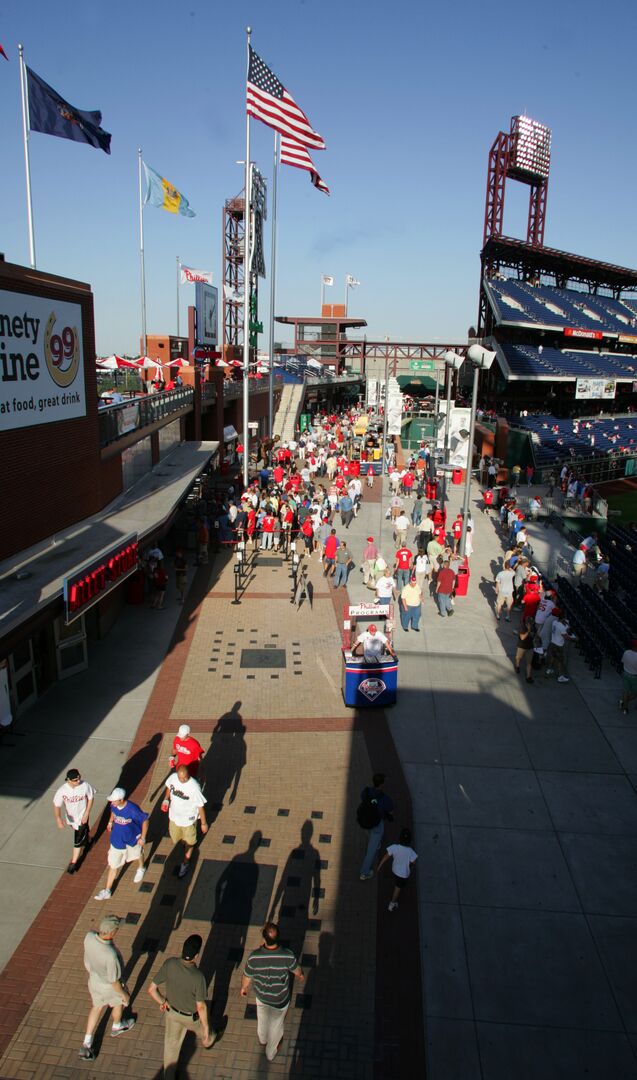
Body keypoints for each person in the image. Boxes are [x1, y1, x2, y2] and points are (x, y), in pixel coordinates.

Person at [148, 934, 218, 1078]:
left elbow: (151, 989)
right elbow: (201, 1007)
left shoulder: (170, 964)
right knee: (206, 1032)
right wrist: (205, 1027)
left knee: (171, 1047)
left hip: (172, 1013)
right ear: (196, 955)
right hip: (191, 1018)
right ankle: (209, 1040)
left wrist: (163, 1002)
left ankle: (169, 1076)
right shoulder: (198, 977)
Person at [241, 922, 304, 1062]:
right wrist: (300, 975)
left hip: (262, 997)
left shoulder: (254, 957)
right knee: (276, 1026)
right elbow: (297, 970)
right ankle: (271, 1051)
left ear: (264, 939)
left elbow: (247, 976)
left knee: (262, 1019)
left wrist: (244, 988)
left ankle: (262, 1039)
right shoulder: (287, 955)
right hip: (280, 1000)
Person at [79, 915, 135, 1059]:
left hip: (94, 980)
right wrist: (124, 995)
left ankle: (86, 1043)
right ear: (112, 932)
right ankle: (117, 1025)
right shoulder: (110, 955)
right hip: (108, 987)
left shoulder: (89, 936)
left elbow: (87, 960)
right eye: (117, 928)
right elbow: (114, 982)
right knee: (118, 1003)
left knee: (96, 1007)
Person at [94, 788, 149, 900]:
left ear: (121, 799)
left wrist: (142, 837)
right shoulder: (114, 805)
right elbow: (113, 813)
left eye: (114, 800)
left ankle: (141, 868)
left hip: (132, 839)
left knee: (138, 854)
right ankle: (107, 890)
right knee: (113, 865)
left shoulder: (133, 809)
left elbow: (145, 821)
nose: (112, 803)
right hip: (117, 840)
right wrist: (110, 822)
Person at [162, 764, 208, 879]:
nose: (182, 780)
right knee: (176, 838)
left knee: (190, 842)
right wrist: (166, 800)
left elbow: (200, 806)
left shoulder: (194, 787)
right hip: (174, 817)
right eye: (180, 778)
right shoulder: (173, 778)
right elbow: (169, 787)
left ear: (189, 775)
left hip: (188, 820)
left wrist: (203, 823)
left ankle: (185, 863)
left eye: (185, 778)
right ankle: (185, 845)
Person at [53, 767, 96, 874]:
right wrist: (58, 818)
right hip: (71, 818)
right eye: (75, 780)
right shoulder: (62, 790)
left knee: (77, 840)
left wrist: (87, 813)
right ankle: (89, 840)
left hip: (82, 817)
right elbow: (57, 805)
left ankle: (73, 862)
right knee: (82, 832)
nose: (78, 781)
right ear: (69, 780)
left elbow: (91, 798)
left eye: (79, 778)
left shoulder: (85, 785)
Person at [358, 772, 394, 880]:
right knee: (371, 851)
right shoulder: (385, 799)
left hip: (364, 820)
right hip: (376, 824)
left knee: (370, 834)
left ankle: (376, 842)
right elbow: (391, 812)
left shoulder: (366, 791)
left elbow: (363, 798)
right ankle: (364, 873)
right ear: (382, 784)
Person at [377, 827, 418, 912]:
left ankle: (393, 900)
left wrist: (379, 865)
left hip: (394, 870)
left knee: (397, 883)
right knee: (398, 888)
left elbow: (386, 856)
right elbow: (413, 862)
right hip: (403, 875)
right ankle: (392, 903)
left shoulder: (394, 847)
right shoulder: (411, 851)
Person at [545, 611, 575, 683]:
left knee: (553, 657)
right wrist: (574, 638)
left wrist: (566, 624)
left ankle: (549, 669)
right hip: (559, 645)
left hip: (553, 643)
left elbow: (566, 628)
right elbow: (566, 637)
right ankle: (560, 676)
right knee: (560, 661)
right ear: (564, 618)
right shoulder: (561, 627)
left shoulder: (555, 622)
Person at [515, 617, 536, 683]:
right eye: (529, 623)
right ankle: (517, 666)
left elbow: (535, 636)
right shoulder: (522, 628)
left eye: (532, 623)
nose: (531, 624)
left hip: (530, 647)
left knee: (529, 663)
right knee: (518, 658)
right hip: (522, 646)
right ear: (526, 623)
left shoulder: (534, 628)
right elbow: (522, 638)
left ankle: (528, 677)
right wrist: (528, 631)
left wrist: (537, 639)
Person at [620, 640, 637, 715]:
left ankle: (625, 707)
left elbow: (623, 661)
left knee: (626, 691)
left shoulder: (626, 652)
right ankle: (624, 703)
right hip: (634, 677)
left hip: (625, 673)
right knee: (635, 693)